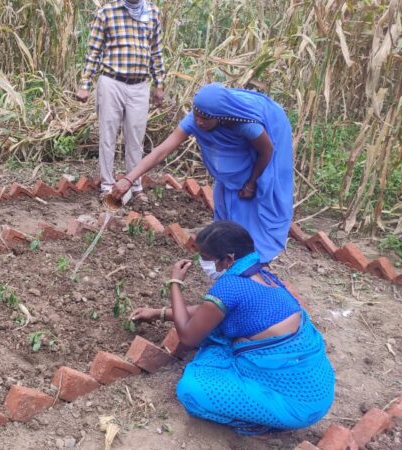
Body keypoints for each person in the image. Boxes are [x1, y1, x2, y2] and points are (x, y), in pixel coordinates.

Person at [130, 221, 334, 435]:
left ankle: (256, 422)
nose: (202, 262)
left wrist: (175, 283)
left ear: (228, 258)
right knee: (216, 340)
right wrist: (158, 313)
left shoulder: (230, 287)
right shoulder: (259, 272)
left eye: (206, 257)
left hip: (295, 403)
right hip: (316, 385)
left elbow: (189, 337)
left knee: (191, 390)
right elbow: (207, 311)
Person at [111, 83, 294, 263]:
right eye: (197, 116)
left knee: (254, 207)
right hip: (232, 176)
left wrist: (252, 182)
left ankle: (255, 259)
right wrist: (129, 179)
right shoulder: (197, 118)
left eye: (205, 119)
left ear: (220, 117)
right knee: (227, 207)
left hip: (262, 157)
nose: (199, 122)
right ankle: (229, 252)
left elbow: (266, 151)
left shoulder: (244, 124)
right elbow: (162, 151)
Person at [76, 0, 166, 203]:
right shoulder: (107, 12)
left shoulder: (152, 12)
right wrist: (85, 85)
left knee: (135, 138)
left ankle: (135, 185)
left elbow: (156, 52)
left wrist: (159, 84)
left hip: (140, 85)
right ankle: (107, 185)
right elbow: (94, 52)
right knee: (108, 136)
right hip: (112, 82)